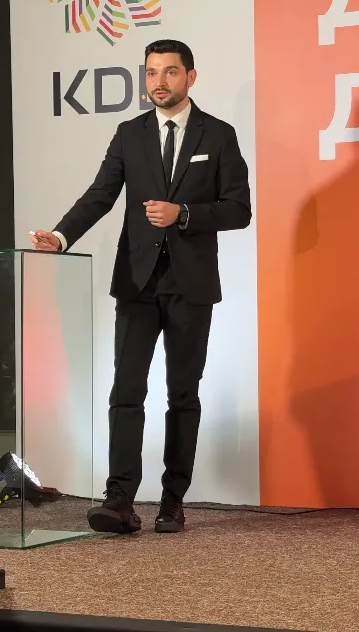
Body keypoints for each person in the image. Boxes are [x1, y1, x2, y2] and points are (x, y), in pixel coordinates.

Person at [30, 39, 251, 534]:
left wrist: (184, 214)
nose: (159, 82)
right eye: (151, 72)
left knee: (182, 394)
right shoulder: (130, 133)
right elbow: (101, 194)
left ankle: (173, 500)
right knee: (126, 391)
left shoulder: (218, 134)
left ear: (190, 77)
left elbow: (239, 209)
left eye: (170, 72)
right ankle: (120, 500)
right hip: (136, 282)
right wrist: (61, 236)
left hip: (191, 285)